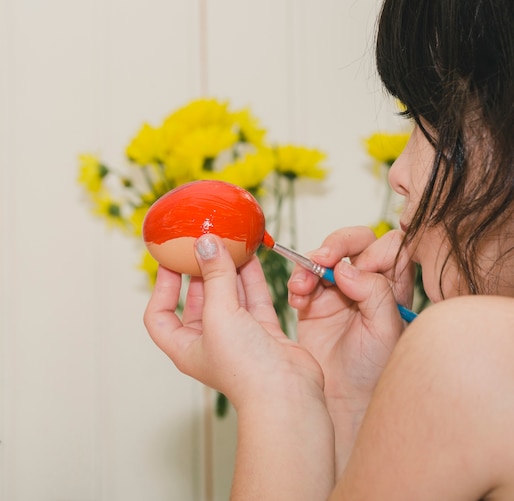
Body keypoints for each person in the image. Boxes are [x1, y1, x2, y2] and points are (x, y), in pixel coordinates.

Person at [144, 0, 514, 498]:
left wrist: (278, 396)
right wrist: (348, 401)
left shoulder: (472, 349)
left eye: (430, 119)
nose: (397, 175)